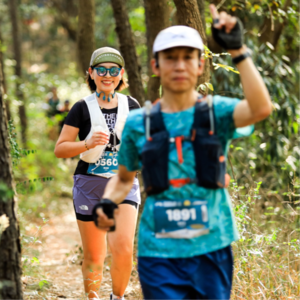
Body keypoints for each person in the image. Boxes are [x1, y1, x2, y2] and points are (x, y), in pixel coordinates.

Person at [93, 5, 272, 300]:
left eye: (188, 57)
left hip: (212, 247)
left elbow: (261, 108)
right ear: (156, 66)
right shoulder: (140, 123)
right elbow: (124, 178)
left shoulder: (217, 113)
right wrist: (107, 203)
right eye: (170, 58)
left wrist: (238, 49)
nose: (179, 66)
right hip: (158, 251)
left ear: (200, 65)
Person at [54, 47, 141, 300]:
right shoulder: (81, 108)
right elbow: (60, 149)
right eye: (101, 69)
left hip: (123, 183)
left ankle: (118, 297)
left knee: (123, 248)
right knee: (94, 255)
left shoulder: (131, 105)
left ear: (121, 74)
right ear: (91, 73)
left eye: (113, 70)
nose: (107, 74)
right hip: (89, 184)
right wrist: (87, 144)